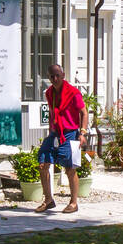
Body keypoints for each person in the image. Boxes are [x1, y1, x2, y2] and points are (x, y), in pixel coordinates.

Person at [36, 63, 87, 212]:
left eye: (58, 75)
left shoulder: (73, 92)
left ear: (63, 76)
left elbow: (84, 113)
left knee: (70, 168)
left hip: (70, 133)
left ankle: (74, 203)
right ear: (49, 77)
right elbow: (52, 113)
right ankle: (48, 200)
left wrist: (82, 133)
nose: (55, 78)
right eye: (52, 76)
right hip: (55, 132)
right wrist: (51, 131)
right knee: (43, 163)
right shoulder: (49, 92)